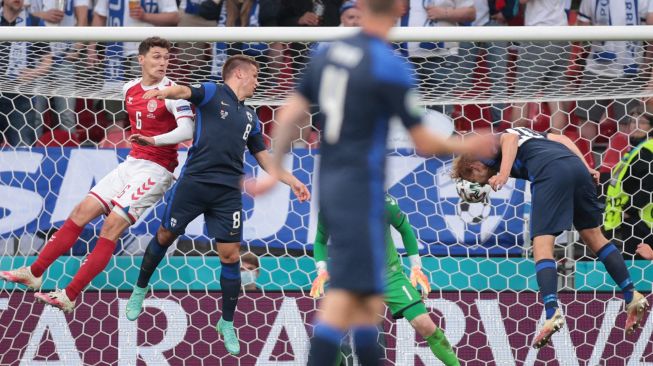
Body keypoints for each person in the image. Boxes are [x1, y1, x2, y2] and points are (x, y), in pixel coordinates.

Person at [262, 0, 479, 364]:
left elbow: (290, 113)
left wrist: (274, 171)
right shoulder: (390, 65)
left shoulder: (329, 54)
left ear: (361, 6)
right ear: (401, 7)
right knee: (349, 306)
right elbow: (425, 144)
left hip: (331, 185)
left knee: (359, 308)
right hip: (362, 189)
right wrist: (467, 143)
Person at [122, 55, 310, 356]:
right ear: (239, 74)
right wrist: (163, 92)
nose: (258, 82)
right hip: (195, 182)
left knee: (231, 255)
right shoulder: (213, 92)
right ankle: (140, 289)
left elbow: (263, 157)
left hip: (228, 193)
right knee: (164, 236)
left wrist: (291, 180)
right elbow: (184, 92)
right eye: (255, 76)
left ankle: (226, 322)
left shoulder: (251, 117)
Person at [0, 37, 195, 313]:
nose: (162, 62)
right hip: (131, 164)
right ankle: (34, 272)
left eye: (165, 57)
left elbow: (188, 131)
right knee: (80, 212)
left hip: (156, 170)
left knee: (110, 227)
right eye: (156, 56)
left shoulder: (172, 91)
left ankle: (69, 294)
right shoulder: (129, 88)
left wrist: (154, 141)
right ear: (141, 59)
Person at [450, 126, 650, 349]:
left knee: (541, 247)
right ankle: (631, 294)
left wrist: (505, 173)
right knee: (594, 237)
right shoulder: (530, 134)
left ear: (473, 165)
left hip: (549, 171)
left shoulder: (482, 151)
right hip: (575, 167)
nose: (484, 183)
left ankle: (552, 311)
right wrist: (587, 167)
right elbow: (562, 137)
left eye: (477, 180)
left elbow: (509, 138)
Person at [310, 194, 460, 365]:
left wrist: (416, 267)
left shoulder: (383, 202)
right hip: (350, 276)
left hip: (389, 274)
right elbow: (320, 241)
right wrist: (321, 270)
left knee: (426, 325)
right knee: (332, 334)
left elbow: (405, 229)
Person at [574, 0, 652, 144]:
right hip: (599, 68)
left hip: (627, 70)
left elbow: (650, 29)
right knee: (587, 118)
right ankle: (586, 160)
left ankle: (620, 161)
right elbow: (580, 30)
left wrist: (647, 63)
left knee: (627, 122)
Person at [510, 0, 570, 133]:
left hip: (538, 34)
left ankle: (513, 145)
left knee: (522, 96)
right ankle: (557, 147)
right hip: (562, 34)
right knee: (556, 99)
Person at [0, 0, 53, 146]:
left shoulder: (34, 22)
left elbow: (48, 61)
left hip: (21, 97)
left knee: (23, 149)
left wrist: (34, 72)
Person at [604, 109, 653, 258]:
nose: (635, 125)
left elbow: (648, 185)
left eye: (641, 122)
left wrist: (628, 210)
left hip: (640, 223)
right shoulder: (635, 151)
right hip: (627, 221)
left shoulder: (648, 151)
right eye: (632, 121)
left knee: (637, 270)